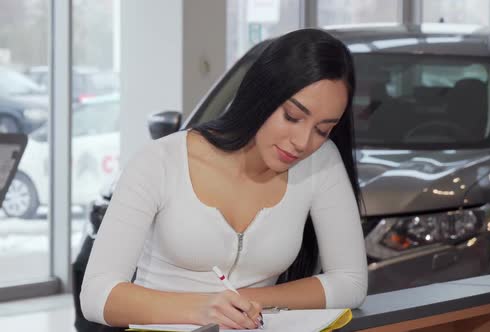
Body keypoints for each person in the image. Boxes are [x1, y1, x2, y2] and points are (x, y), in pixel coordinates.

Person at [80, 28, 368, 330]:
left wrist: (248, 299)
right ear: (263, 94)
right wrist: (205, 309)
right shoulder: (160, 162)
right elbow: (98, 293)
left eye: (323, 130)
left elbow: (350, 281)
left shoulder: (320, 162)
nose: (302, 141)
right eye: (292, 117)